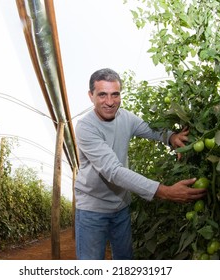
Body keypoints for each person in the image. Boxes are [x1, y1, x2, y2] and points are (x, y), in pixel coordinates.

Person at [74, 68, 206, 260]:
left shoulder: (125, 117)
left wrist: (171, 137)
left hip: (121, 207)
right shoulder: (86, 127)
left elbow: (149, 130)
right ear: (90, 96)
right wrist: (165, 191)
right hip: (92, 210)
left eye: (115, 95)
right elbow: (113, 171)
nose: (110, 102)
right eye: (102, 95)